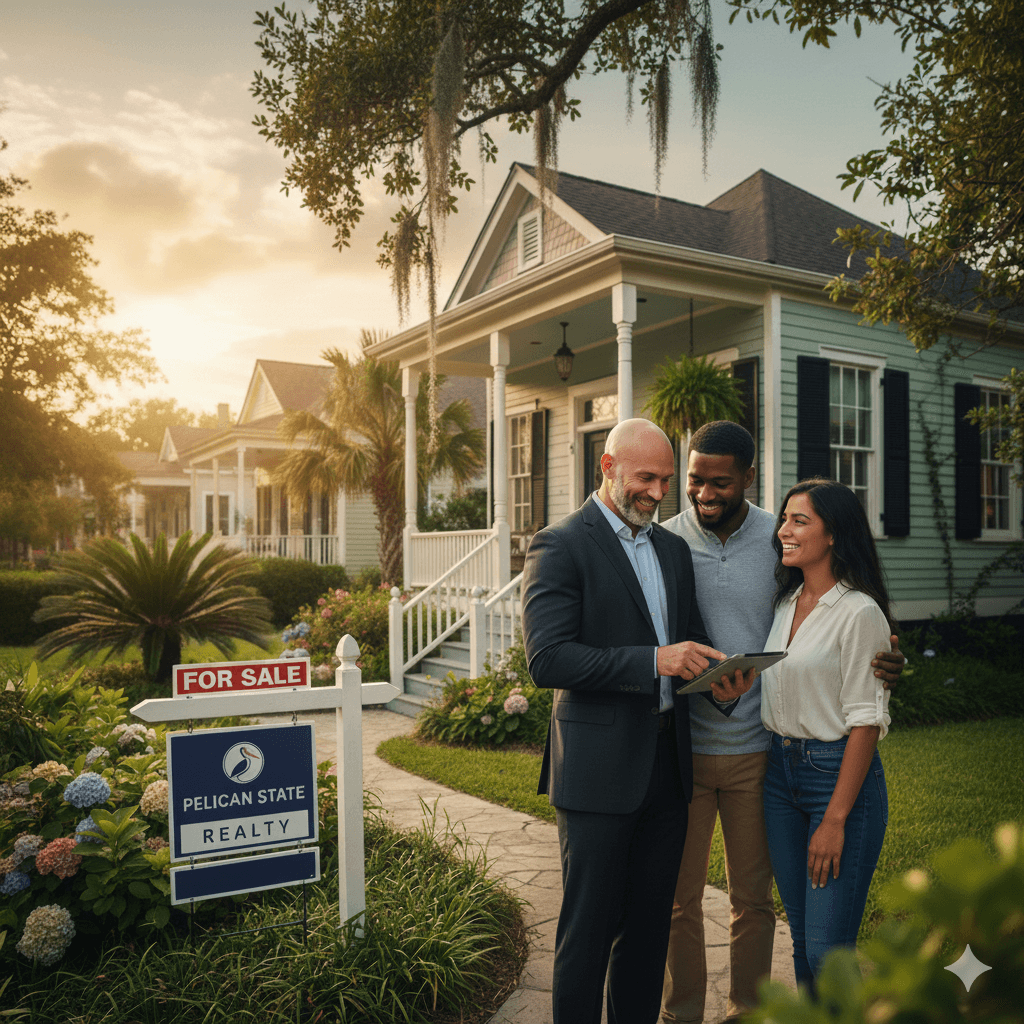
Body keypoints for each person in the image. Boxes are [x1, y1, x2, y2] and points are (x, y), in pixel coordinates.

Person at [661, 422, 903, 1024]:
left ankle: (752, 1012)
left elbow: (854, 662)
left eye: (720, 482)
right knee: (697, 908)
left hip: (774, 762)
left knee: (778, 917)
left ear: (747, 478)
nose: (704, 493)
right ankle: (685, 1012)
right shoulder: (673, 547)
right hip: (711, 757)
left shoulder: (782, 544)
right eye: (693, 480)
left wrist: (886, 658)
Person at [521, 418, 756, 1024]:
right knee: (588, 933)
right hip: (597, 775)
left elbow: (689, 643)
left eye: (665, 480)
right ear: (607, 466)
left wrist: (721, 673)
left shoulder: (673, 549)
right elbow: (547, 658)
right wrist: (655, 660)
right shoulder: (560, 543)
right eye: (645, 477)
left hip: (668, 770)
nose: (657, 491)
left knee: (650, 931)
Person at [760, 478, 893, 994]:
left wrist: (835, 818)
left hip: (835, 780)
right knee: (800, 941)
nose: (783, 531)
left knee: (826, 950)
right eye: (783, 519)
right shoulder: (785, 602)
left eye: (800, 521)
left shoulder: (859, 612)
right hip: (779, 775)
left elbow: (866, 721)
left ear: (833, 534)